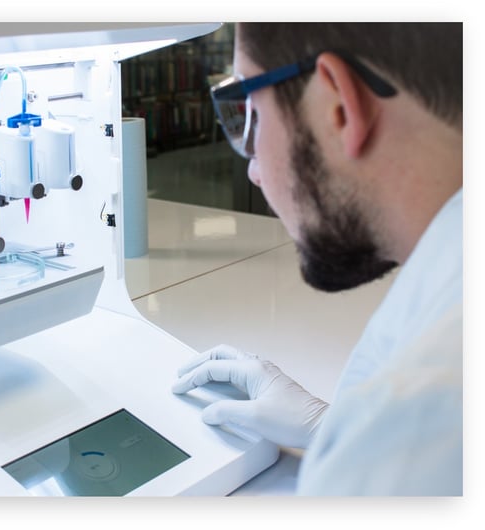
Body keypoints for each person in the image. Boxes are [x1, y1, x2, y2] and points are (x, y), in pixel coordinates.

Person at [172, 22, 462, 495]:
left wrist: (366, 459)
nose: (254, 171)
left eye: (253, 117)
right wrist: (334, 429)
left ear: (339, 109)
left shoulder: (431, 405)